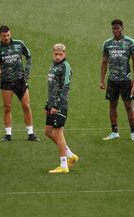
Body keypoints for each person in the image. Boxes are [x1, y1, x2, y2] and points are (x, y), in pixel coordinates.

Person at [0, 25, 39, 142]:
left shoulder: (19, 44)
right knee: (7, 107)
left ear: (10, 34)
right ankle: (8, 134)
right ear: (0, 36)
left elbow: (28, 56)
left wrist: (27, 72)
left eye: (8, 35)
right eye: (4, 36)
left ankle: (31, 133)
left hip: (20, 81)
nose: (6, 38)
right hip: (6, 82)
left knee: (26, 106)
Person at [100, 19, 134, 141]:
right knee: (112, 106)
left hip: (126, 80)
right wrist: (102, 80)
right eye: (113, 28)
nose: (115, 30)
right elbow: (104, 62)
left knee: (128, 105)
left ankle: (133, 132)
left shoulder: (130, 42)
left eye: (117, 28)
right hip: (112, 80)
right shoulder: (107, 44)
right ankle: (114, 131)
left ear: (122, 28)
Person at [45, 44, 79, 174]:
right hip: (52, 104)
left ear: (65, 53)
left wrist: (56, 105)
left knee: (58, 132)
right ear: (53, 53)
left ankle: (63, 165)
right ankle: (70, 155)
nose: (58, 56)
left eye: (60, 54)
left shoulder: (65, 67)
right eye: (56, 54)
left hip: (60, 105)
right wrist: (48, 104)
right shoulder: (53, 65)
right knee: (48, 132)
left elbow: (65, 87)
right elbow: (52, 87)